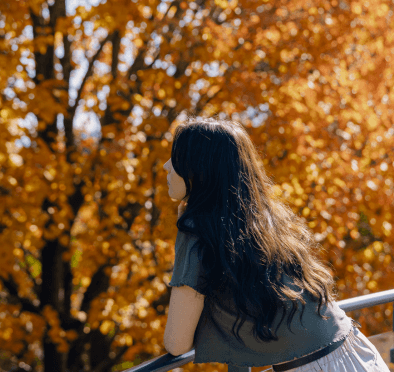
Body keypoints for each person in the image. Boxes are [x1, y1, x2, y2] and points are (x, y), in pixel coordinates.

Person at [162, 117, 390, 372]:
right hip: (356, 352)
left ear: (200, 168)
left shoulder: (197, 231)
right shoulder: (263, 220)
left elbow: (176, 342)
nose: (166, 166)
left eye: (177, 157)